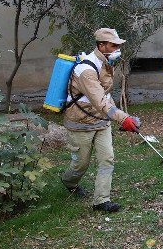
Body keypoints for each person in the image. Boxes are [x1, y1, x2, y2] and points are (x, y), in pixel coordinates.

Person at [61, 28, 142, 213]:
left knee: (107, 159)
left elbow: (105, 96)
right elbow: (99, 100)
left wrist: (122, 117)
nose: (117, 49)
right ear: (101, 45)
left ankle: (101, 200)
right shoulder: (86, 70)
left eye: (118, 45)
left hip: (101, 121)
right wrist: (123, 119)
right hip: (80, 123)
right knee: (81, 164)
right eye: (114, 45)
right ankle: (68, 182)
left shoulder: (107, 65)